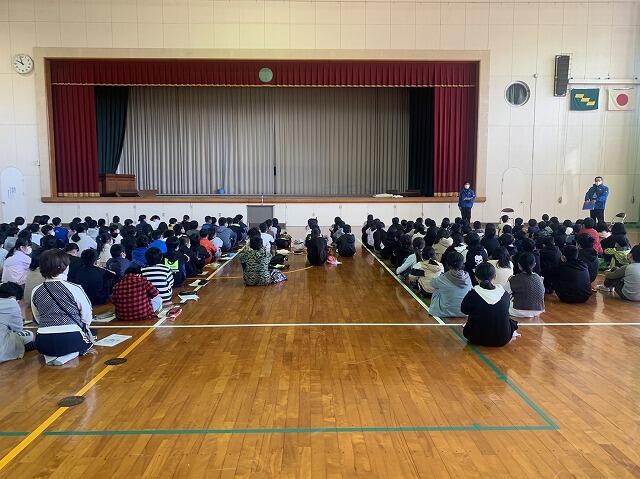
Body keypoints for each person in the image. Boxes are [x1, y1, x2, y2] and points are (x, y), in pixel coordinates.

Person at [31, 249, 94, 365]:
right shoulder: (74, 288)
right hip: (71, 338)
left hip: (43, 341)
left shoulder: (36, 290)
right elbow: (87, 315)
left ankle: (50, 356)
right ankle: (69, 354)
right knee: (89, 341)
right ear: (64, 268)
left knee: (52, 346)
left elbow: (37, 317)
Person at [461, 262, 518, 347]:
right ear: (494, 276)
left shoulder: (473, 293)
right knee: (510, 321)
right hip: (503, 338)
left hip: (475, 337)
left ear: (476, 277)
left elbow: (464, 310)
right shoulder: (504, 293)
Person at [429, 251, 472, 318]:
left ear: (448, 264)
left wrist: (439, 276)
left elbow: (432, 283)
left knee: (437, 289)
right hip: (465, 312)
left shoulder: (443, 278)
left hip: (445, 312)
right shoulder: (467, 276)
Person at [0, 282, 34, 363]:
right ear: (14, 297)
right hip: (2, 349)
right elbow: (18, 329)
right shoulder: (12, 303)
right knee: (29, 334)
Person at [505, 252, 545, 318]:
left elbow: (504, 293)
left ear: (519, 265)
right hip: (538, 310)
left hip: (518, 311)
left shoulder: (514, 279)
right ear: (534, 264)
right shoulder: (539, 278)